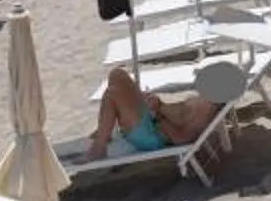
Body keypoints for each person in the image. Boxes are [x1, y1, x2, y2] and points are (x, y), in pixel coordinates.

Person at [86, 67, 218, 159]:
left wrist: (157, 112)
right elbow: (177, 115)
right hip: (152, 118)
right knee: (117, 73)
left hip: (151, 133)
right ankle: (105, 132)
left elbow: (181, 138)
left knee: (112, 93)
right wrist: (157, 104)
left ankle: (99, 148)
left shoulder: (204, 108)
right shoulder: (205, 100)